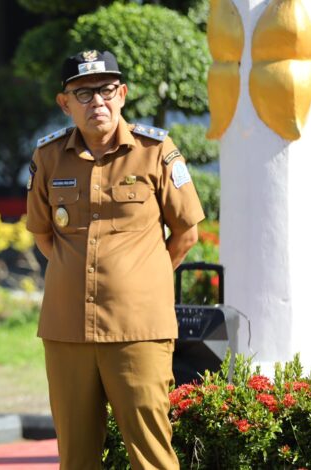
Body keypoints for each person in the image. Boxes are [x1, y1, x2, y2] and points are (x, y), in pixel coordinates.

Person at [26, 50, 205, 469]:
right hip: (67, 328)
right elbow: (42, 235)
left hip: (138, 328)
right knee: (76, 455)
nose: (97, 103)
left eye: (106, 90)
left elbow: (187, 233)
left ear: (122, 94)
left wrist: (142, 276)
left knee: (151, 452)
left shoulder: (156, 150)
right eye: (83, 93)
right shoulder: (48, 157)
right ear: (65, 103)